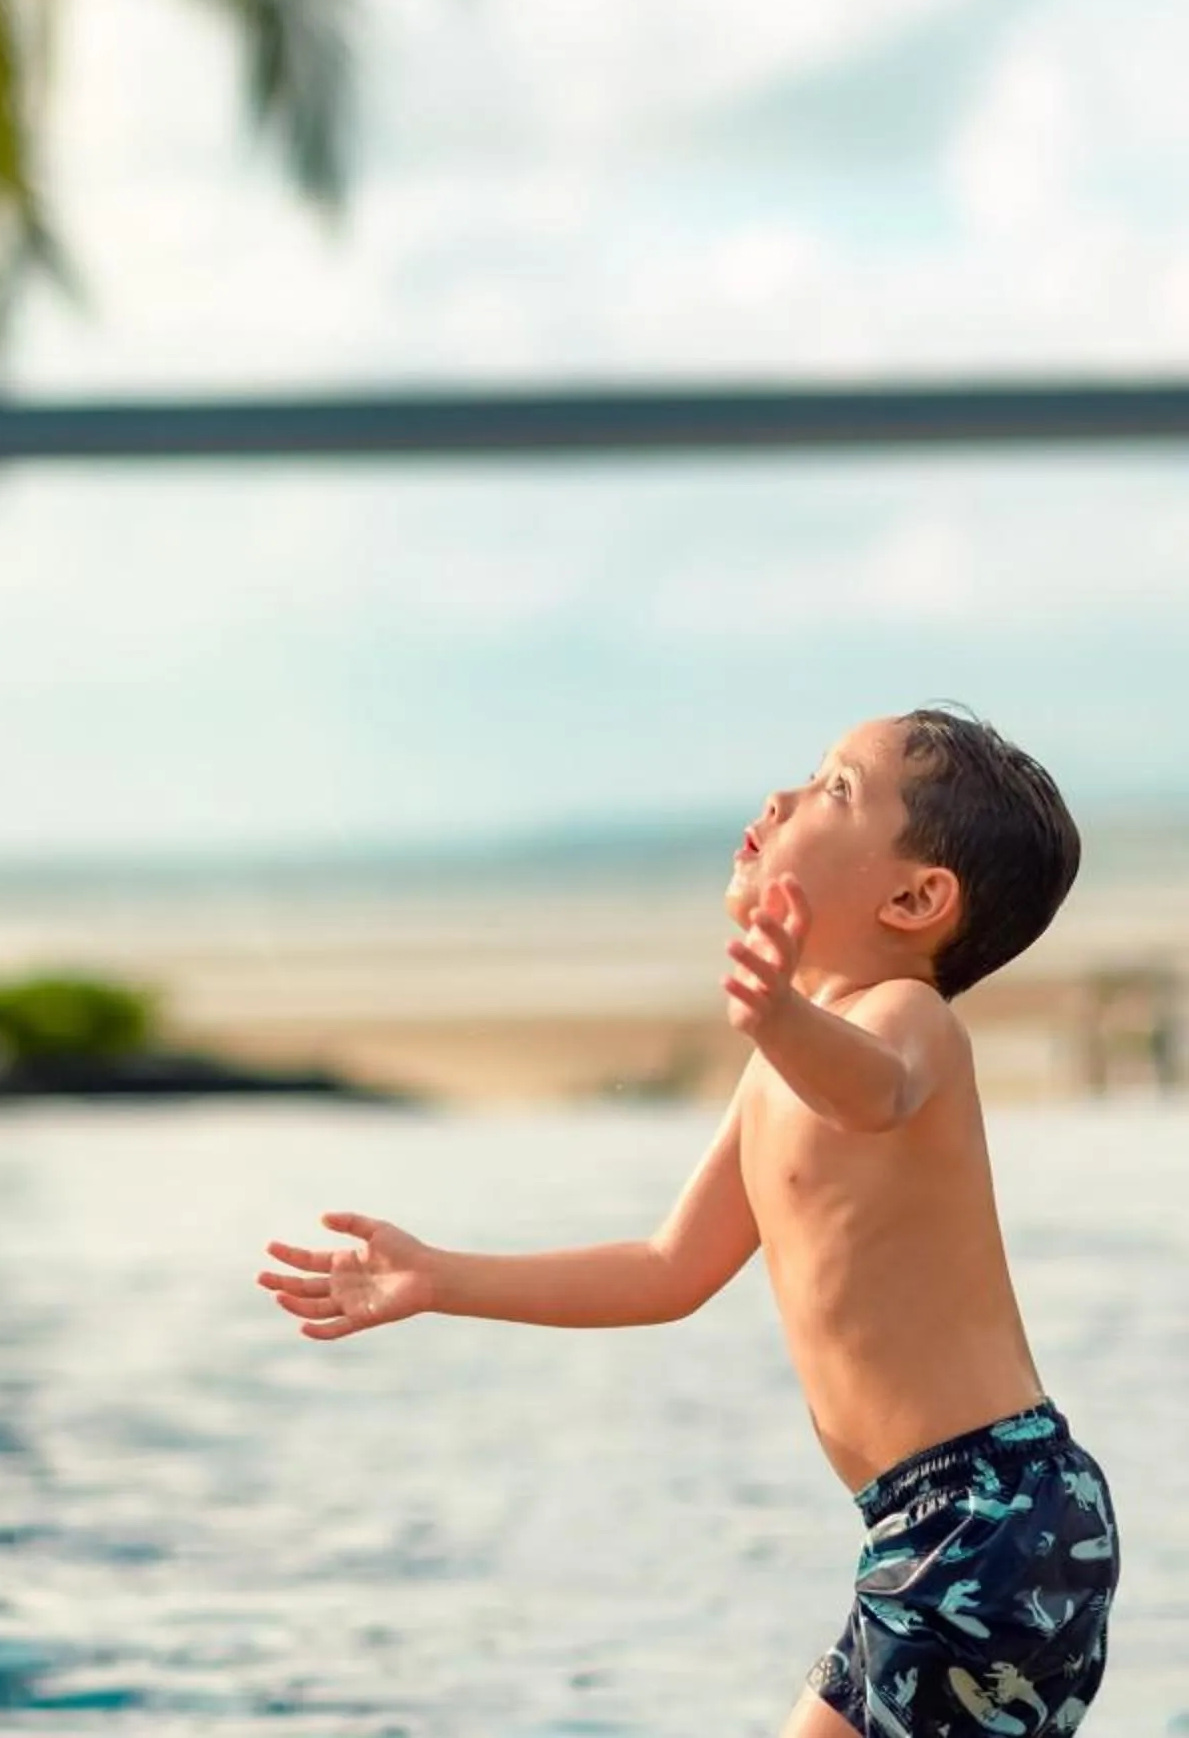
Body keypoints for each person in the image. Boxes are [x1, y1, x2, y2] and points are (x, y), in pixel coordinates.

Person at [257, 704, 1120, 1736]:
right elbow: (665, 1270)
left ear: (914, 896)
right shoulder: (780, 1067)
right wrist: (442, 1279)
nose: (782, 797)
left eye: (835, 788)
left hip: (987, 1514)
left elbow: (875, 1093)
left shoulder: (905, 1022)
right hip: (935, 1524)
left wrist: (779, 1015)